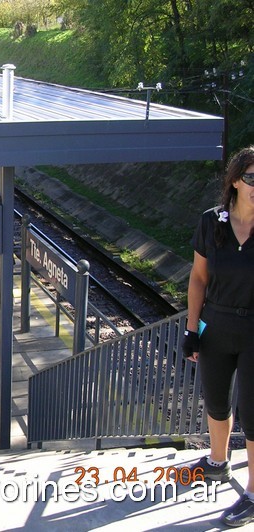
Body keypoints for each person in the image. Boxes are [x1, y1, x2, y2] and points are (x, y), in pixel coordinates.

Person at [181, 146, 254, 527]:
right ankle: (217, 462)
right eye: (252, 177)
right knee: (216, 401)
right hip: (217, 324)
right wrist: (192, 330)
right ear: (236, 181)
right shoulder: (213, 222)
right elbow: (198, 279)